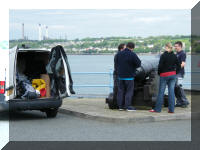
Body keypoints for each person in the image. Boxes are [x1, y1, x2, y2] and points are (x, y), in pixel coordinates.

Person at [150, 43, 181, 113]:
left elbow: (160, 66)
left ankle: (157, 109)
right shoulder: (174, 55)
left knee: (161, 92)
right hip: (173, 75)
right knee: (171, 92)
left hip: (164, 75)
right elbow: (178, 66)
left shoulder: (163, 55)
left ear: (167, 47)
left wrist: (159, 73)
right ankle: (171, 110)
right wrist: (175, 72)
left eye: (165, 47)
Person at [115, 42, 141, 111]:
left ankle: (120, 106)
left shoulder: (118, 54)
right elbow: (138, 64)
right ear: (132, 48)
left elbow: (116, 64)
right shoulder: (132, 54)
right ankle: (127, 106)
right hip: (129, 76)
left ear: (126, 46)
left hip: (120, 76)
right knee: (129, 91)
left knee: (120, 91)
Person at [174, 41, 190, 107]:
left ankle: (185, 101)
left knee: (179, 87)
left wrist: (176, 68)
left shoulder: (182, 53)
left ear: (180, 46)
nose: (175, 47)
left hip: (180, 73)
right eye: (175, 46)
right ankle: (179, 102)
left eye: (176, 46)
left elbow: (183, 64)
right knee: (175, 88)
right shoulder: (176, 54)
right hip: (175, 73)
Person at [113, 44, 126, 108]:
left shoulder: (118, 55)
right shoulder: (119, 55)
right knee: (119, 89)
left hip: (118, 74)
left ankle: (119, 103)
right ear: (121, 49)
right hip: (118, 74)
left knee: (118, 89)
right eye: (125, 48)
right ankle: (120, 104)